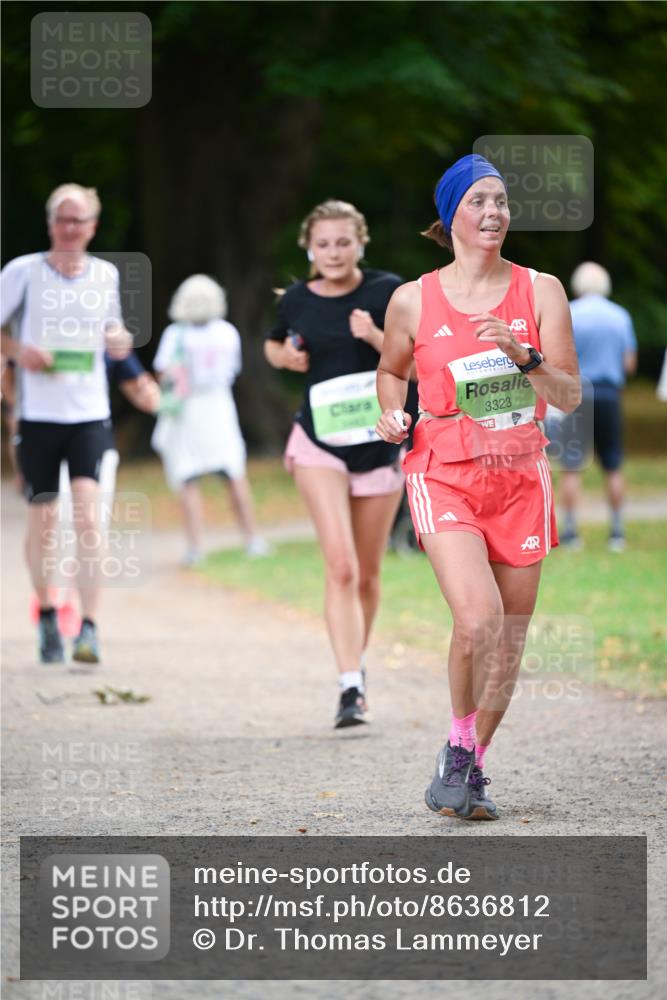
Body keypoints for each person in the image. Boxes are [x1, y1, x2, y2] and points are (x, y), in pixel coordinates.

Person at [376, 155, 580, 819]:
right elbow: (390, 369)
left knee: (508, 638)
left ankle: (467, 762)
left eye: (500, 201)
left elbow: (569, 395)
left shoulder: (540, 290)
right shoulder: (412, 298)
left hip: (520, 474)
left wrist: (525, 358)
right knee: (478, 620)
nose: (492, 213)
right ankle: (461, 750)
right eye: (477, 202)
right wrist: (391, 410)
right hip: (443, 471)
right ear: (450, 216)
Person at [264, 199, 405, 728]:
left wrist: (374, 336)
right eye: (323, 244)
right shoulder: (298, 299)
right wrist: (286, 358)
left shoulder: (389, 291)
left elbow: (419, 354)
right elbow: (273, 345)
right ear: (309, 247)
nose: (333, 252)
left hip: (379, 441)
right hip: (318, 442)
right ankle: (350, 687)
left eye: (343, 242)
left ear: (360, 243)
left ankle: (356, 668)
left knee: (367, 575)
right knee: (340, 565)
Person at [0, 182, 133, 665]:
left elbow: (112, 329)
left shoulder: (105, 275)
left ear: (93, 226)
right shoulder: (23, 272)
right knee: (44, 522)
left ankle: (90, 629)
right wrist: (19, 352)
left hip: (89, 414)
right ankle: (48, 614)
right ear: (50, 223)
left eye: (79, 220)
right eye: (62, 219)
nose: (70, 228)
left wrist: (119, 339)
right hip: (39, 417)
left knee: (88, 519)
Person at [151, 274, 269, 566]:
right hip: (219, 406)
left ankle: (195, 547)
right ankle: (252, 538)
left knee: (188, 478)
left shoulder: (176, 334)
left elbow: (163, 373)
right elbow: (234, 369)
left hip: (188, 409)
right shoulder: (227, 332)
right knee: (233, 473)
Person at [551, 262, 638, 552]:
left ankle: (572, 531)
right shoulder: (620, 316)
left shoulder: (570, 313)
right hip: (609, 394)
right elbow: (629, 363)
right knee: (613, 463)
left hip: (577, 393)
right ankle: (616, 531)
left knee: (572, 465)